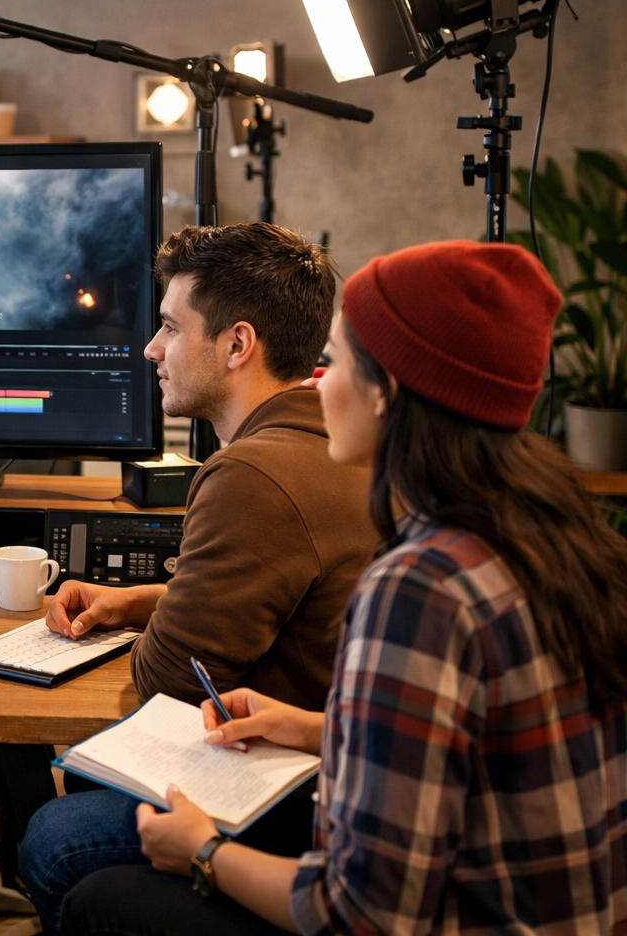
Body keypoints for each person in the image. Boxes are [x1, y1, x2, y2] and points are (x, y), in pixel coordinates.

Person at [61, 240, 627, 935]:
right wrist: (317, 729)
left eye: (339, 361)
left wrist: (203, 851)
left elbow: (361, 913)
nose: (318, 383)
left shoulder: (419, 590)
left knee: (90, 887)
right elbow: (489, 750)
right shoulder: (556, 535)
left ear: (390, 392)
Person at [18, 223, 378, 932]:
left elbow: (169, 680)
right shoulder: (332, 440)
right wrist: (144, 600)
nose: (152, 348)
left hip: (295, 793)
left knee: (55, 839)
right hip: (343, 768)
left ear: (237, 344)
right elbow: (287, 594)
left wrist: (163, 615)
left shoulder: (249, 473)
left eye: (168, 325)